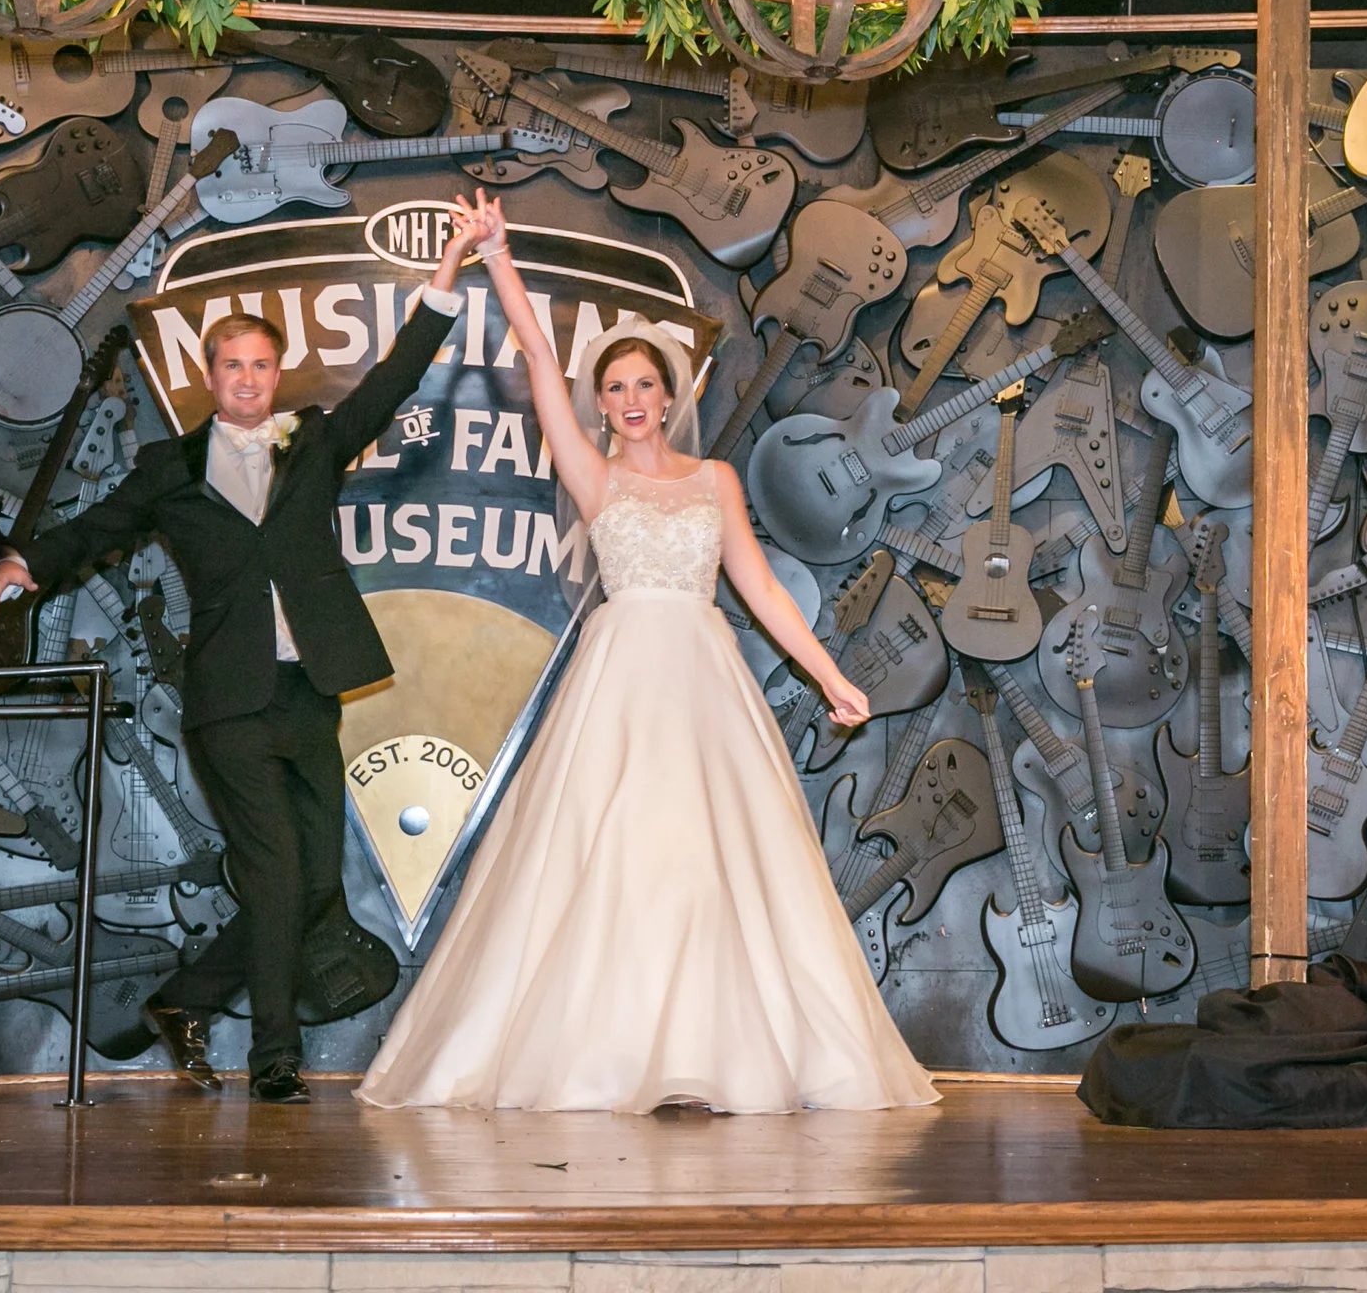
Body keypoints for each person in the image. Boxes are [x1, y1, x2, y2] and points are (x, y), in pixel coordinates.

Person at [358, 191, 938, 1114]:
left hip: (703, 686)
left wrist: (831, 676)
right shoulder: (594, 478)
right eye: (615, 389)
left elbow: (763, 590)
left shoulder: (715, 480)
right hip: (619, 682)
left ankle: (710, 1053)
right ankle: (613, 1052)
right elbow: (538, 358)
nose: (629, 401)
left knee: (708, 862)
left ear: (670, 397)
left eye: (643, 386)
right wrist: (496, 255)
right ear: (602, 404)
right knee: (612, 856)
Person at [0, 206, 487, 1103]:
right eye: (231, 366)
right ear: (212, 377)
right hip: (227, 704)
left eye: (260, 365)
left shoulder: (313, 442)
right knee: (277, 872)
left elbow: (393, 379)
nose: (247, 379)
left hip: (309, 693)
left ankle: (189, 999)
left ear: (277, 375)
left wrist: (446, 275)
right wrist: (22, 566)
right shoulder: (169, 469)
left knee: (313, 882)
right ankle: (276, 1057)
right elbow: (96, 529)